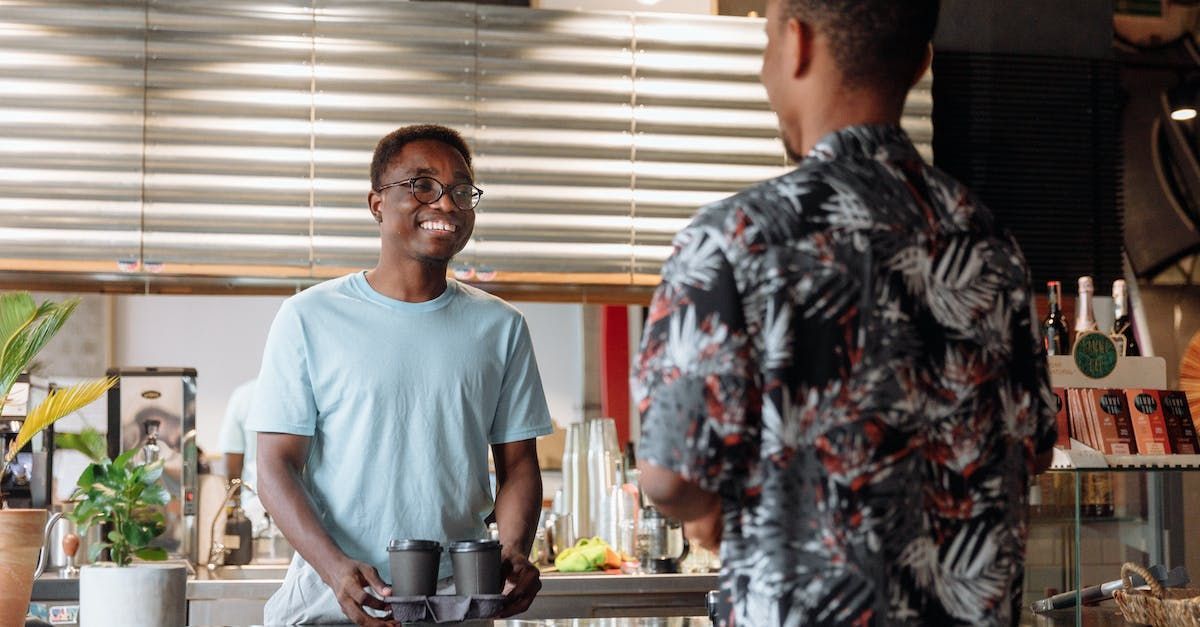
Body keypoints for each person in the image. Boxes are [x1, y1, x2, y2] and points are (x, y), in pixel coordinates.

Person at [633, 1, 1056, 625]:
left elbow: (669, 473)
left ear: (796, 45)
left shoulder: (735, 240)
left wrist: (703, 511)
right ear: (921, 63)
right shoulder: (990, 242)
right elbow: (1037, 447)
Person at [250, 124, 552, 626]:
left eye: (461, 190)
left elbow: (519, 464)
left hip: (458, 602)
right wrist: (334, 569)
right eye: (423, 185)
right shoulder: (308, 317)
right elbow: (275, 466)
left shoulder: (501, 327)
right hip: (336, 599)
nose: (447, 205)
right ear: (376, 204)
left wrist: (515, 551)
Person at [216, 378, 266, 531]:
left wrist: (233, 514)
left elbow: (233, 467)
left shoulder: (244, 395)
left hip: (255, 511)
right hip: (304, 510)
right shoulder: (305, 390)